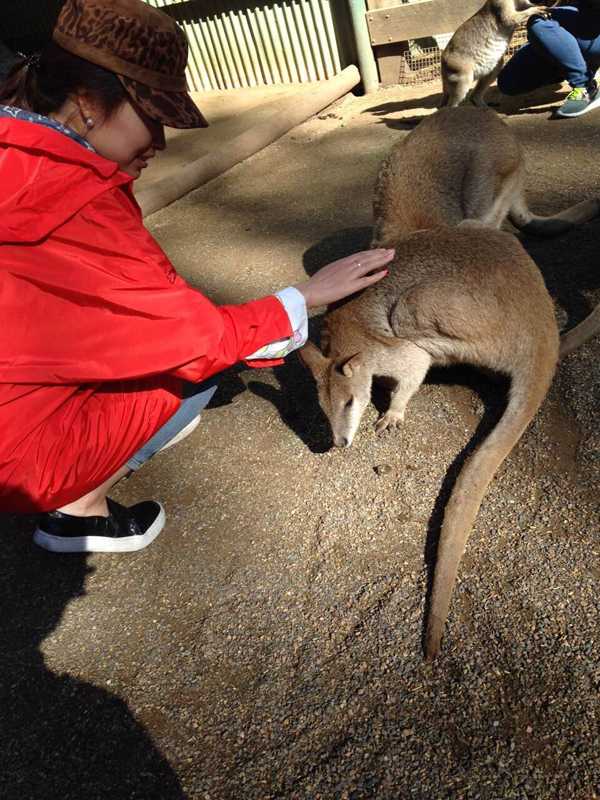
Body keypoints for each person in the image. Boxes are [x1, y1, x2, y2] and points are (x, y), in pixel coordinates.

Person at [0, 0, 394, 553]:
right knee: (196, 374)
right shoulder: (70, 200)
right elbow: (191, 341)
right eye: (152, 116)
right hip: (14, 457)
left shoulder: (21, 151)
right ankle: (78, 508)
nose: (160, 143)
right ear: (87, 103)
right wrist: (303, 296)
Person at [497, 1, 600, 117]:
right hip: (576, 19)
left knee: (538, 21)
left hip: (593, 30)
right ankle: (564, 57)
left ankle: (584, 86)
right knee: (508, 83)